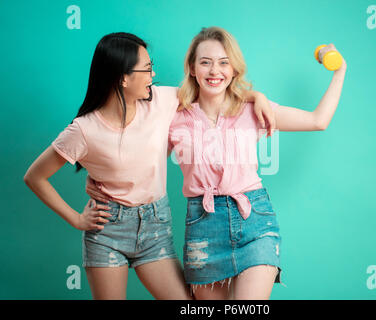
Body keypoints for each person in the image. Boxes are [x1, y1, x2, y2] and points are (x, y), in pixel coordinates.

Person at [24, 32, 274, 300]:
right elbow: (35, 177)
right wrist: (76, 219)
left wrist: (256, 96)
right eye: (146, 69)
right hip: (108, 231)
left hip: (155, 230)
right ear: (122, 77)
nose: (153, 74)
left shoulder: (161, 100)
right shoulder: (84, 130)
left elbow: (212, 88)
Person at [166, 27, 347, 300]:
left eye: (223, 62)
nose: (215, 71)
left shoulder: (253, 109)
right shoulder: (173, 113)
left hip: (254, 221)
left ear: (234, 68)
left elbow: (317, 121)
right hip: (203, 226)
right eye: (206, 62)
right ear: (192, 68)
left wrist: (340, 70)